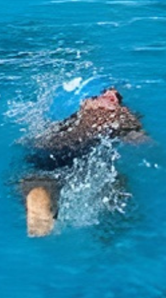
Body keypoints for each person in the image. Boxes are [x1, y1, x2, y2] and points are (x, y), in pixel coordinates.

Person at [19, 76, 147, 237]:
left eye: (117, 97)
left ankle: (38, 195)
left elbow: (30, 142)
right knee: (117, 186)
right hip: (77, 160)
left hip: (46, 158)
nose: (114, 99)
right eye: (105, 94)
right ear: (85, 101)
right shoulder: (115, 116)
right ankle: (111, 235)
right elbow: (142, 143)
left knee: (39, 177)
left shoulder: (63, 122)